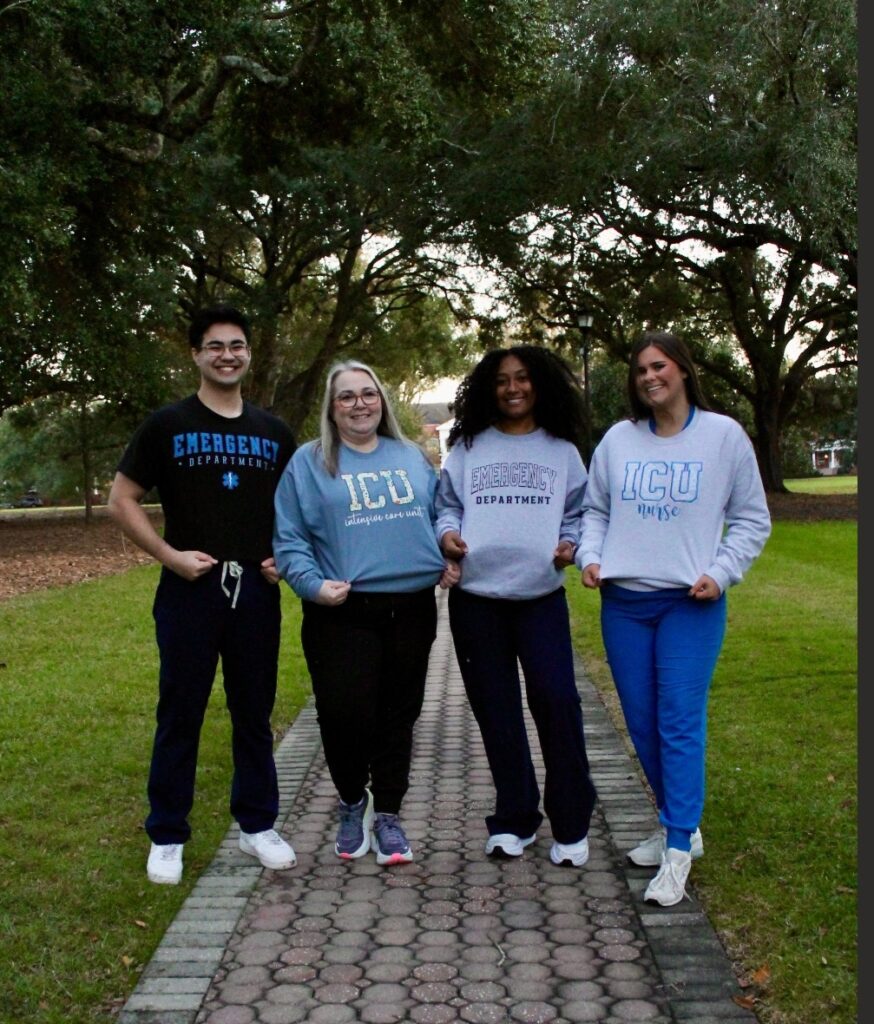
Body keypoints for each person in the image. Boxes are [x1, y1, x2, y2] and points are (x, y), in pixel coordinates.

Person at [576, 330, 771, 906]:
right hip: (625, 606)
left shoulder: (723, 437)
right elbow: (595, 511)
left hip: (691, 603)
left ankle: (679, 849)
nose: (648, 377)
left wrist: (724, 570)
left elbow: (752, 519)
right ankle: (680, 824)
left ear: (683, 370)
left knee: (678, 722)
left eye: (658, 366)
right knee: (642, 724)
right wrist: (590, 557)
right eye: (640, 370)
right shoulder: (618, 440)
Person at [107, 304, 298, 885]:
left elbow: (300, 509)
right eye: (215, 346)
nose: (227, 355)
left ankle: (257, 824)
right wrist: (169, 556)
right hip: (190, 590)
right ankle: (167, 833)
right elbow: (122, 498)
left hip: (255, 595)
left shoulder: (273, 432)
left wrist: (283, 559)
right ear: (196, 354)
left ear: (248, 354)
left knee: (253, 712)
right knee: (180, 711)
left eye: (237, 345)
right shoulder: (167, 425)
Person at [272, 360, 460, 865]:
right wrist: (312, 587)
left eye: (369, 394)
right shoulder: (308, 464)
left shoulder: (411, 458)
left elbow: (440, 514)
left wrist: (446, 554)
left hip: (412, 608)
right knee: (344, 714)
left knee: (399, 716)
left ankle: (390, 815)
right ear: (331, 410)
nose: (360, 404)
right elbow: (289, 540)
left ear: (382, 401)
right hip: (342, 611)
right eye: (347, 397)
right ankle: (353, 799)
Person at [435, 346, 598, 867]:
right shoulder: (468, 446)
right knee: (497, 712)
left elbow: (578, 512)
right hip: (477, 601)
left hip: (540, 598)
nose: (512, 388)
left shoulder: (561, 451)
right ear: (489, 387)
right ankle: (514, 818)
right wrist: (448, 535)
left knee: (556, 702)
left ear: (539, 384)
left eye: (523, 378)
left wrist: (569, 546)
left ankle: (571, 824)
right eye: (502, 380)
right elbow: (446, 506)